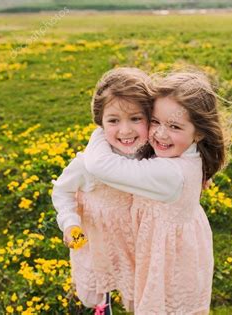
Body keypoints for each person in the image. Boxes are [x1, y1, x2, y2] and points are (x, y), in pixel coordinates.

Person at [83, 71, 232, 314]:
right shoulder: (185, 152)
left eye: (174, 125)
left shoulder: (169, 175)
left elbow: (98, 165)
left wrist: (104, 126)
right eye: (155, 121)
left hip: (168, 262)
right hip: (167, 247)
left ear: (200, 132)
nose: (160, 134)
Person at [52, 67, 182, 313]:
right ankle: (105, 306)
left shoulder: (156, 153)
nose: (125, 131)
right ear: (100, 123)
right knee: (104, 280)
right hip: (102, 239)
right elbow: (62, 191)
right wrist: (69, 222)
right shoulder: (89, 164)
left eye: (136, 118)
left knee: (140, 287)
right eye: (113, 120)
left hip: (139, 241)